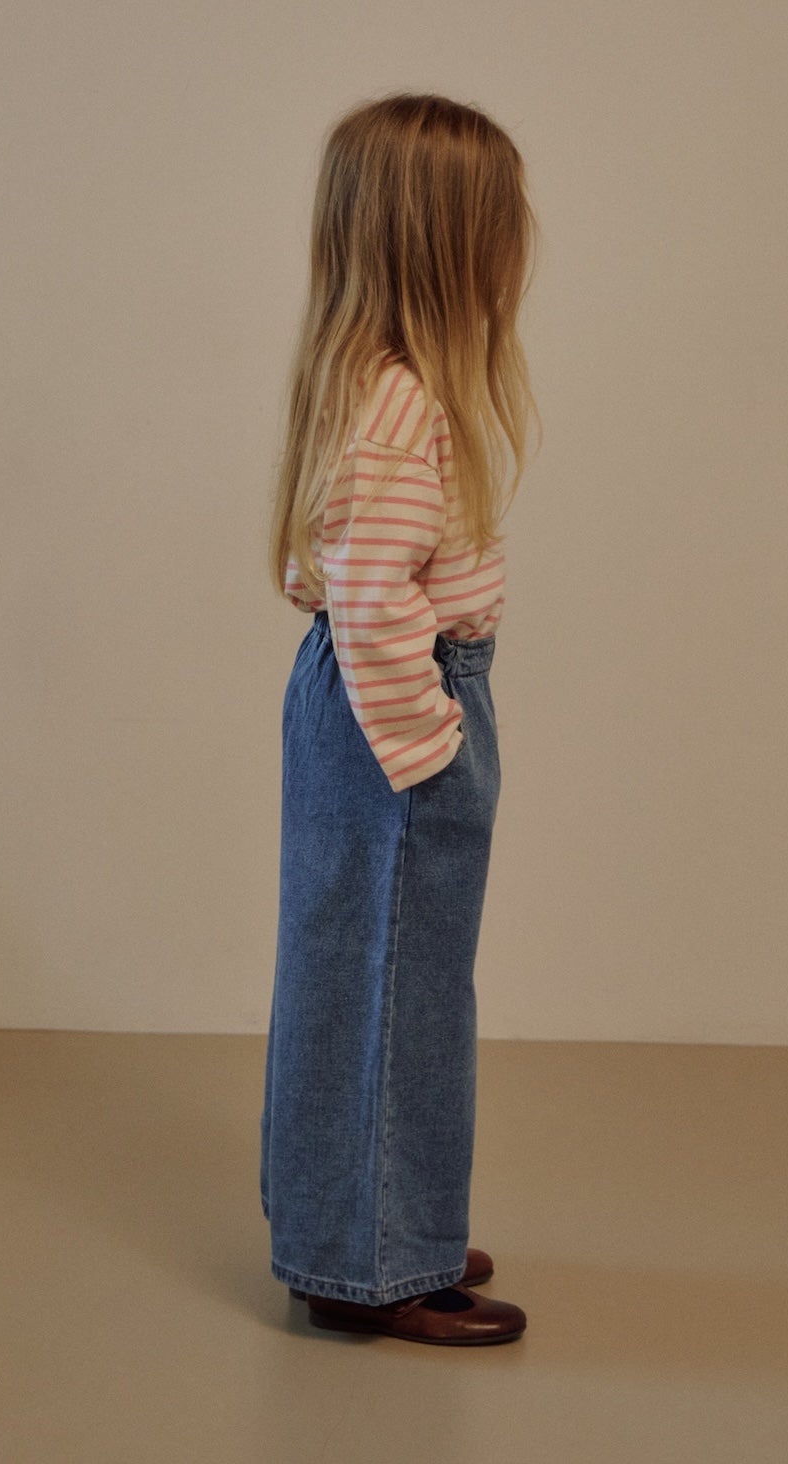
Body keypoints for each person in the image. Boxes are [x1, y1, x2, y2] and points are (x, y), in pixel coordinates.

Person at [260, 91, 542, 1345]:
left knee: (372, 979)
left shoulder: (372, 387)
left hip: (371, 705)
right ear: (451, 243)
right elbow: (373, 596)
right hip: (398, 718)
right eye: (502, 218)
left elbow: (338, 574)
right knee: (388, 986)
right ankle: (368, 1258)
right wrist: (432, 745)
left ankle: (373, 1223)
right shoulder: (402, 408)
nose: (520, 238)